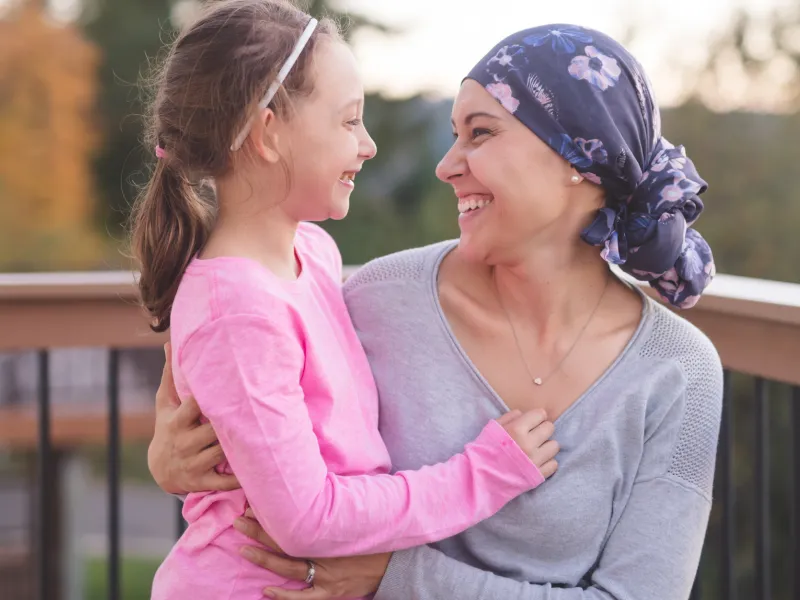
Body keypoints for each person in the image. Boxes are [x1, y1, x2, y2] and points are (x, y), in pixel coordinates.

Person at [148, 23, 724, 600]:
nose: (445, 165)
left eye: (480, 132)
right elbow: (274, 450)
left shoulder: (679, 372)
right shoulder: (376, 298)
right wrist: (173, 465)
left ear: (578, 157)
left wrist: (395, 574)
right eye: (453, 134)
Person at [129, 2, 561, 599]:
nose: (368, 144)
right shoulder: (238, 311)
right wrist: (481, 475)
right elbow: (307, 516)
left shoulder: (313, 252)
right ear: (267, 133)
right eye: (348, 121)